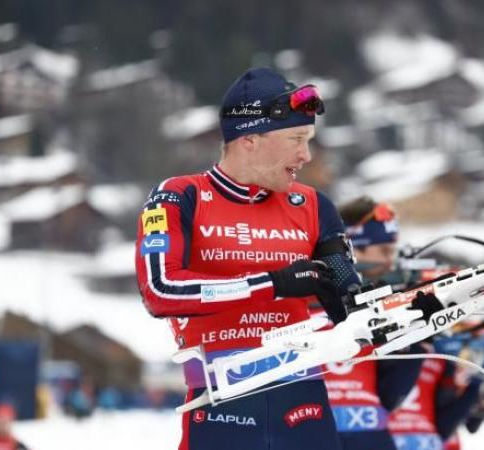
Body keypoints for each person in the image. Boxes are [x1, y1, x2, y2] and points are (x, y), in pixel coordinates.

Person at [135, 67, 361, 450]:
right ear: (250, 140)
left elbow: (350, 296)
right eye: (296, 139)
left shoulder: (313, 205)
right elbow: (159, 290)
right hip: (222, 403)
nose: (306, 155)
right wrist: (275, 284)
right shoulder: (178, 196)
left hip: (301, 403)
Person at [322, 196, 421, 450]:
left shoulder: (384, 300)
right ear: (355, 249)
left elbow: (392, 395)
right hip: (309, 431)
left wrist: (416, 328)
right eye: (384, 251)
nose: (391, 261)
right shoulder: (310, 290)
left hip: (367, 435)